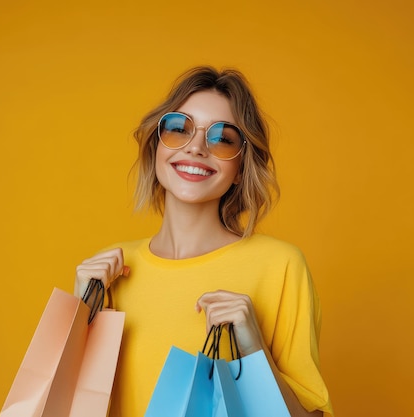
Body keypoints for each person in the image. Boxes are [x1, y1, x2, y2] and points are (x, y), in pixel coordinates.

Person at [75, 66, 333, 417]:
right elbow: (77, 405)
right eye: (179, 129)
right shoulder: (110, 270)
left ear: (241, 166)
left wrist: (253, 348)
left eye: (221, 138)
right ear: (156, 146)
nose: (196, 147)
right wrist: (79, 318)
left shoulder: (280, 266)